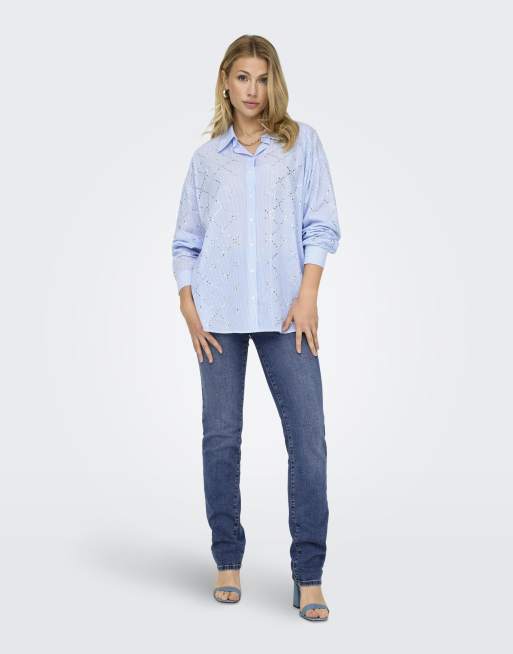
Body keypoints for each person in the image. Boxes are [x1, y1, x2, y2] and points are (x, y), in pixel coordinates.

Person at [171, 34, 341, 622]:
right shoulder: (206, 160)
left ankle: (309, 573)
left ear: (275, 83)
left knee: (309, 440)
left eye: (262, 78)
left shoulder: (300, 145)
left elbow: (320, 223)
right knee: (221, 439)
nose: (253, 90)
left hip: (286, 313)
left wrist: (308, 295)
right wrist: (187, 303)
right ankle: (227, 559)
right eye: (243, 77)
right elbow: (186, 240)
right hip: (216, 316)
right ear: (225, 81)